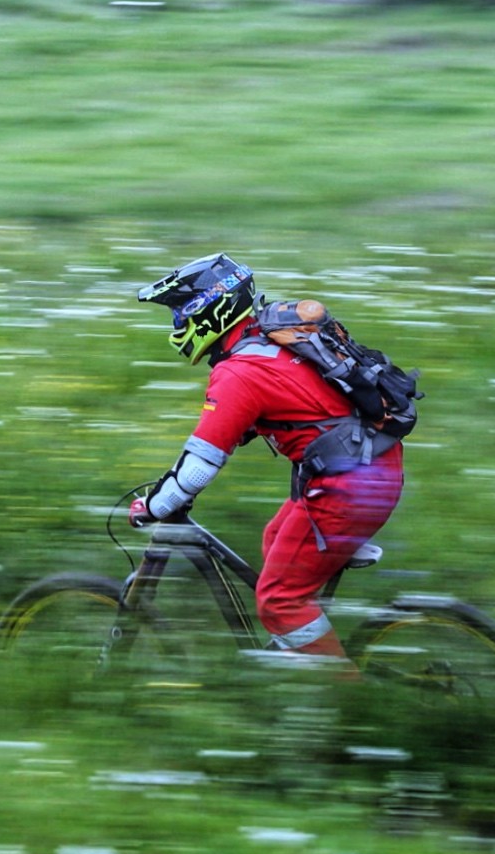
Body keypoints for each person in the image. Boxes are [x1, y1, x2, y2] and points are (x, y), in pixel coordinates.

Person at [132, 253, 405, 661]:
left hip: (347, 490)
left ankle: (341, 691)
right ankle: (301, 649)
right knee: (275, 537)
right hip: (375, 468)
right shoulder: (270, 337)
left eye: (179, 315)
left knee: (278, 602)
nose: (177, 327)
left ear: (207, 312)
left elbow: (198, 468)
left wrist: (154, 504)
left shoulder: (239, 372)